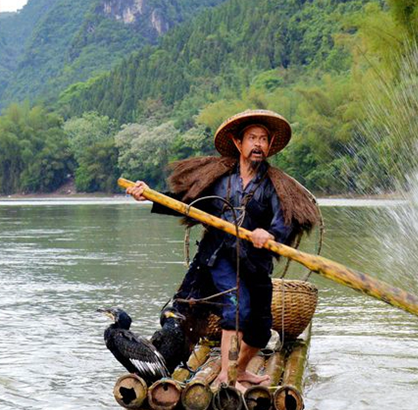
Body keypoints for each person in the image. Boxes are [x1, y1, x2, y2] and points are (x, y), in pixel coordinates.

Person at [127, 110, 320, 391]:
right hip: (220, 255)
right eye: (252, 138)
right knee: (236, 306)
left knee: (260, 328)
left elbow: (284, 223)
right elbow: (187, 204)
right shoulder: (220, 181)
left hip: (255, 261)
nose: (258, 144)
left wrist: (269, 234)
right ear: (238, 142)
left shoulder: (275, 186)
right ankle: (226, 379)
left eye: (263, 139)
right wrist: (149, 195)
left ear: (269, 145)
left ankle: (239, 370)